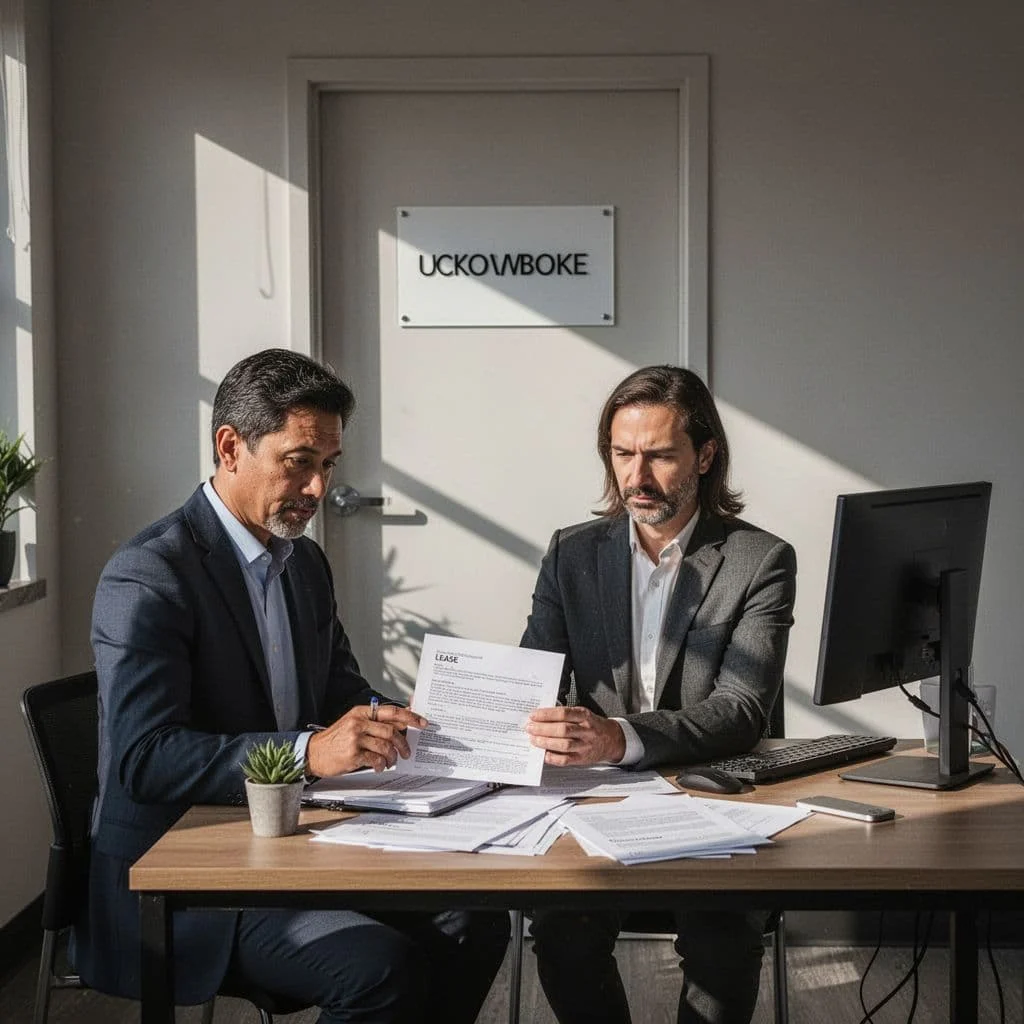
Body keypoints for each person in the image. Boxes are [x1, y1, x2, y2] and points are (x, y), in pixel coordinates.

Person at [76, 348, 509, 1022]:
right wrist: (310, 754)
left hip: (286, 845)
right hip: (183, 876)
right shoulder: (149, 575)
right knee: (379, 969)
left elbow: (342, 691)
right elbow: (144, 759)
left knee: (474, 920)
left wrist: (438, 727)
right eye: (298, 462)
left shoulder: (303, 564)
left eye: (328, 465)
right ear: (229, 446)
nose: (316, 489)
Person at [521, 364, 797, 1024]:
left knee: (721, 935)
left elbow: (740, 708)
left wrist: (620, 737)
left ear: (704, 455)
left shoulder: (759, 560)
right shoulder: (572, 554)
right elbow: (532, 675)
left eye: (659, 456)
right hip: (598, 800)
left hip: (715, 797)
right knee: (562, 928)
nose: (636, 478)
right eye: (622, 454)